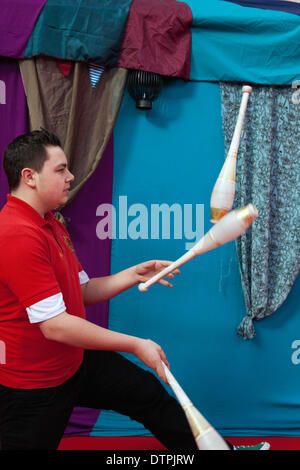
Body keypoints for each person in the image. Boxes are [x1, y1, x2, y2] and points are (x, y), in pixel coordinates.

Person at [0, 129, 269, 451]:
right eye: (60, 170)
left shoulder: (50, 222)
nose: (71, 176)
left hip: (73, 362)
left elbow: (82, 291)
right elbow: (55, 325)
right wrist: (135, 344)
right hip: (35, 384)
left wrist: (133, 274)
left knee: (148, 395)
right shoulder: (17, 234)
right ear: (29, 176)